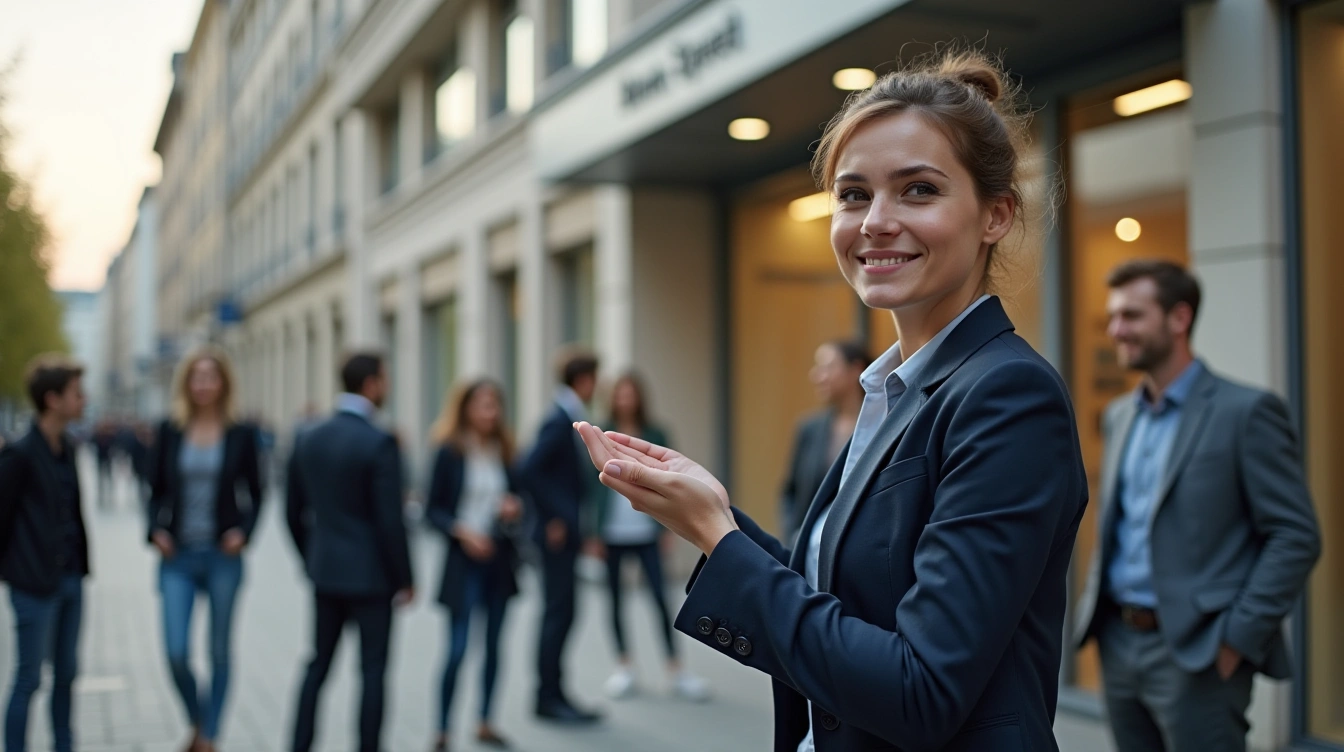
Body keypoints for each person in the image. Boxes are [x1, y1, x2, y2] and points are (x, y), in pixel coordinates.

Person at [576, 49, 1089, 752]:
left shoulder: (1005, 394)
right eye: (853, 195)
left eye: (917, 191)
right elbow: (853, 598)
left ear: (995, 214)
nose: (876, 220)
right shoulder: (896, 389)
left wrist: (724, 544)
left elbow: (920, 690)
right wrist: (712, 516)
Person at [1073, 260, 1320, 752]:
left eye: (1132, 316)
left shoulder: (1245, 412)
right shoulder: (1120, 415)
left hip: (1200, 654)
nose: (1117, 330)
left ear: (1179, 319)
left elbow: (1295, 535)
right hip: (1118, 643)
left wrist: (1236, 639)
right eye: (1113, 317)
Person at [286, 351, 415, 752]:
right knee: (373, 670)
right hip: (372, 577)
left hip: (325, 571)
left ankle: (299, 744)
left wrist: (310, 556)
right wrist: (405, 578)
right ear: (372, 384)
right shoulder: (379, 441)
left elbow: (292, 510)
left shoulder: (308, 435)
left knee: (317, 665)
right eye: (386, 379)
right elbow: (390, 521)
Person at [147, 347, 264, 752]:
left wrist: (244, 533)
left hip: (222, 557)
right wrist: (154, 531)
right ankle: (198, 718)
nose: (203, 384)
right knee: (176, 651)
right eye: (196, 377)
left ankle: (210, 736)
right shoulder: (169, 429)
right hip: (177, 556)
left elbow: (258, 492)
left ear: (223, 383)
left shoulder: (241, 433)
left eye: (210, 376)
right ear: (187, 383)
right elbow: (154, 490)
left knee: (218, 650)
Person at [590, 372, 709, 702]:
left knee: (660, 598)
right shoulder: (599, 432)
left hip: (647, 530)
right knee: (614, 600)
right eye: (620, 394)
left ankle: (675, 668)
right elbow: (590, 486)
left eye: (631, 394)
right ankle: (624, 666)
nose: (625, 399)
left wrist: (668, 527)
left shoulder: (656, 432)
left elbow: (672, 482)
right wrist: (593, 532)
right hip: (612, 532)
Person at [425, 379, 527, 751]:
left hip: (499, 561)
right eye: (484, 405)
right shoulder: (449, 451)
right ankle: (442, 728)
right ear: (466, 408)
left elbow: (520, 502)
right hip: (462, 562)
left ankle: (485, 720)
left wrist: (514, 509)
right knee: (457, 648)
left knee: (495, 647)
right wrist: (462, 533)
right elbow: (431, 510)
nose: (491, 412)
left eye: (495, 405)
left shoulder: (505, 450)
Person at [0, 355, 90, 752]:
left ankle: (63, 745)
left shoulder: (67, 447)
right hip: (33, 583)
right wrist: (16, 573)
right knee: (29, 677)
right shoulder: (19, 453)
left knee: (67, 673)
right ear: (53, 399)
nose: (83, 400)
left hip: (70, 578)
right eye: (76, 393)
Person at [521, 347, 602, 724]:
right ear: (584, 380)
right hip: (555, 537)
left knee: (564, 611)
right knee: (559, 612)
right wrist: (555, 516)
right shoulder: (558, 420)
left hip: (564, 534)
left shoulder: (569, 414)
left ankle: (553, 692)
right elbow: (529, 469)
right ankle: (547, 696)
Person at [779, 342, 870, 545]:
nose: (817, 375)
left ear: (856, 369)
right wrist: (793, 536)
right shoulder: (810, 429)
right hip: (811, 550)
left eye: (827, 367)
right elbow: (791, 492)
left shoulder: (882, 424)